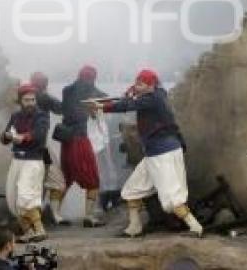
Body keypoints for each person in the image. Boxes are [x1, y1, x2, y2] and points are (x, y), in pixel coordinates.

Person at [90, 69, 202, 238]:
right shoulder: (156, 94)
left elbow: (129, 105)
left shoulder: (152, 99)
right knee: (132, 190)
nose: (137, 85)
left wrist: (103, 107)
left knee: (172, 198)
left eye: (141, 83)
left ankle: (195, 228)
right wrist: (132, 92)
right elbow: (132, 100)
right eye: (136, 82)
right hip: (156, 153)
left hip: (163, 154)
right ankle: (134, 228)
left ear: (151, 85)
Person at [58, 65, 107, 227]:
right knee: (93, 180)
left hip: (66, 142)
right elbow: (105, 99)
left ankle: (55, 213)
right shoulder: (91, 91)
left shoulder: (67, 90)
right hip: (80, 141)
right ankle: (89, 216)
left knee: (66, 178)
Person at [1, 83, 49, 243]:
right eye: (27, 100)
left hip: (33, 161)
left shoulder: (42, 116)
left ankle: (40, 229)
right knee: (13, 199)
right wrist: (7, 136)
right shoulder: (15, 116)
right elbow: (5, 137)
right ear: (21, 101)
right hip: (17, 160)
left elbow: (39, 135)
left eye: (33, 100)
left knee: (25, 195)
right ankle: (28, 232)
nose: (30, 103)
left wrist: (23, 137)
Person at [29, 71, 69, 226]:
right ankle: (53, 214)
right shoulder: (41, 96)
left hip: (31, 147)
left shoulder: (28, 96)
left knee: (40, 183)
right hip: (40, 147)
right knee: (57, 182)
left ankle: (42, 215)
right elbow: (60, 108)